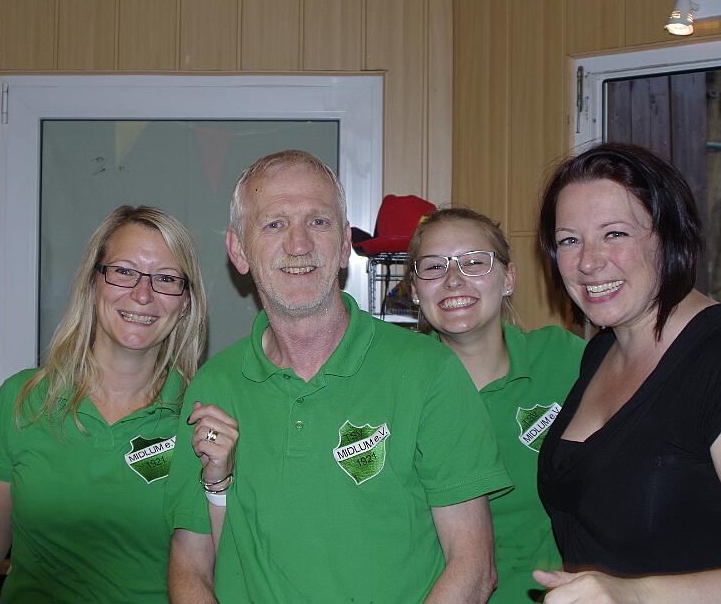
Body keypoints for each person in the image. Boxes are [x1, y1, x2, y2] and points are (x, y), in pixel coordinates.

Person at [167, 150, 513, 603]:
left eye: (318, 221)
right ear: (239, 250)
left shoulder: (428, 372)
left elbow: (473, 565)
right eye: (274, 224)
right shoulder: (213, 389)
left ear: (345, 242)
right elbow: (190, 565)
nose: (298, 244)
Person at [533, 142, 721, 603]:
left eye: (615, 233)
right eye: (569, 240)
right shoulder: (601, 352)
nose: (588, 261)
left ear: (671, 236)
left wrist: (637, 596)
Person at [0, 206, 231, 603]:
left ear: (185, 303)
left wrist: (221, 480)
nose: (142, 294)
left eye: (165, 279)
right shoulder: (24, 400)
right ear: (92, 284)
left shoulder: (200, 421)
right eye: (124, 271)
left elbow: (220, 564)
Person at [407, 207, 585, 603]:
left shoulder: (563, 359)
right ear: (415, 290)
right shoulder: (396, 385)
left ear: (508, 278)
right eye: (433, 267)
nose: (453, 279)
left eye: (474, 262)